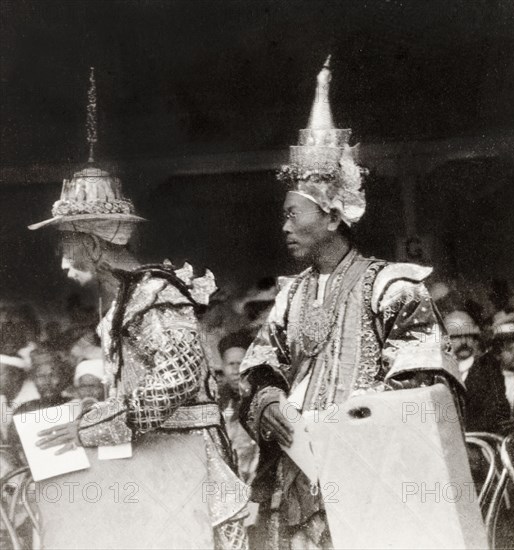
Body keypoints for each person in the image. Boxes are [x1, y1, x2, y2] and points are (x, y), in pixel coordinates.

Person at [239, 57, 463, 550]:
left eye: (292, 214)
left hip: (376, 477)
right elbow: (260, 370)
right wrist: (268, 401)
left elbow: (425, 382)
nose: (284, 227)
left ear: (333, 217)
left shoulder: (392, 286)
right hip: (302, 479)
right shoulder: (290, 296)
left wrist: (356, 426)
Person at [26, 69, 248, 550]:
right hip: (156, 462)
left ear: (92, 240)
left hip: (190, 463)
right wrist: (94, 412)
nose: (63, 262)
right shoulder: (124, 300)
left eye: (67, 243)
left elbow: (178, 377)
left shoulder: (154, 292)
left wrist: (95, 425)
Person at [218, 331, 258, 484]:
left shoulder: (260, 398)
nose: (235, 371)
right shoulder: (216, 399)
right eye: (231, 364)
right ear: (222, 366)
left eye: (240, 364)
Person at [444, 310, 482, 382]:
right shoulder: (443, 373)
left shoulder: (487, 371)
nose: (464, 342)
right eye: (457, 337)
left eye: (468, 335)